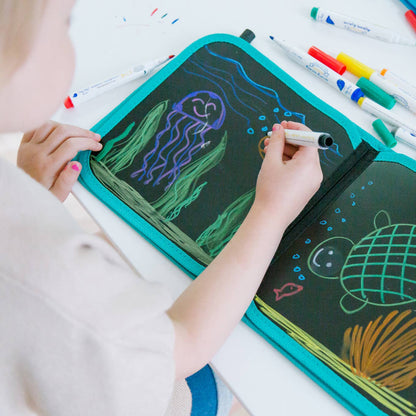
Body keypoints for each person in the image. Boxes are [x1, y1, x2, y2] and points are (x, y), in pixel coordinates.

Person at [0, 0, 323, 415]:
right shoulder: (51, 287)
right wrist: (272, 211)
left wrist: (31, 195)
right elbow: (181, 346)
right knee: (232, 369)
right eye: (65, 22)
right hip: (145, 392)